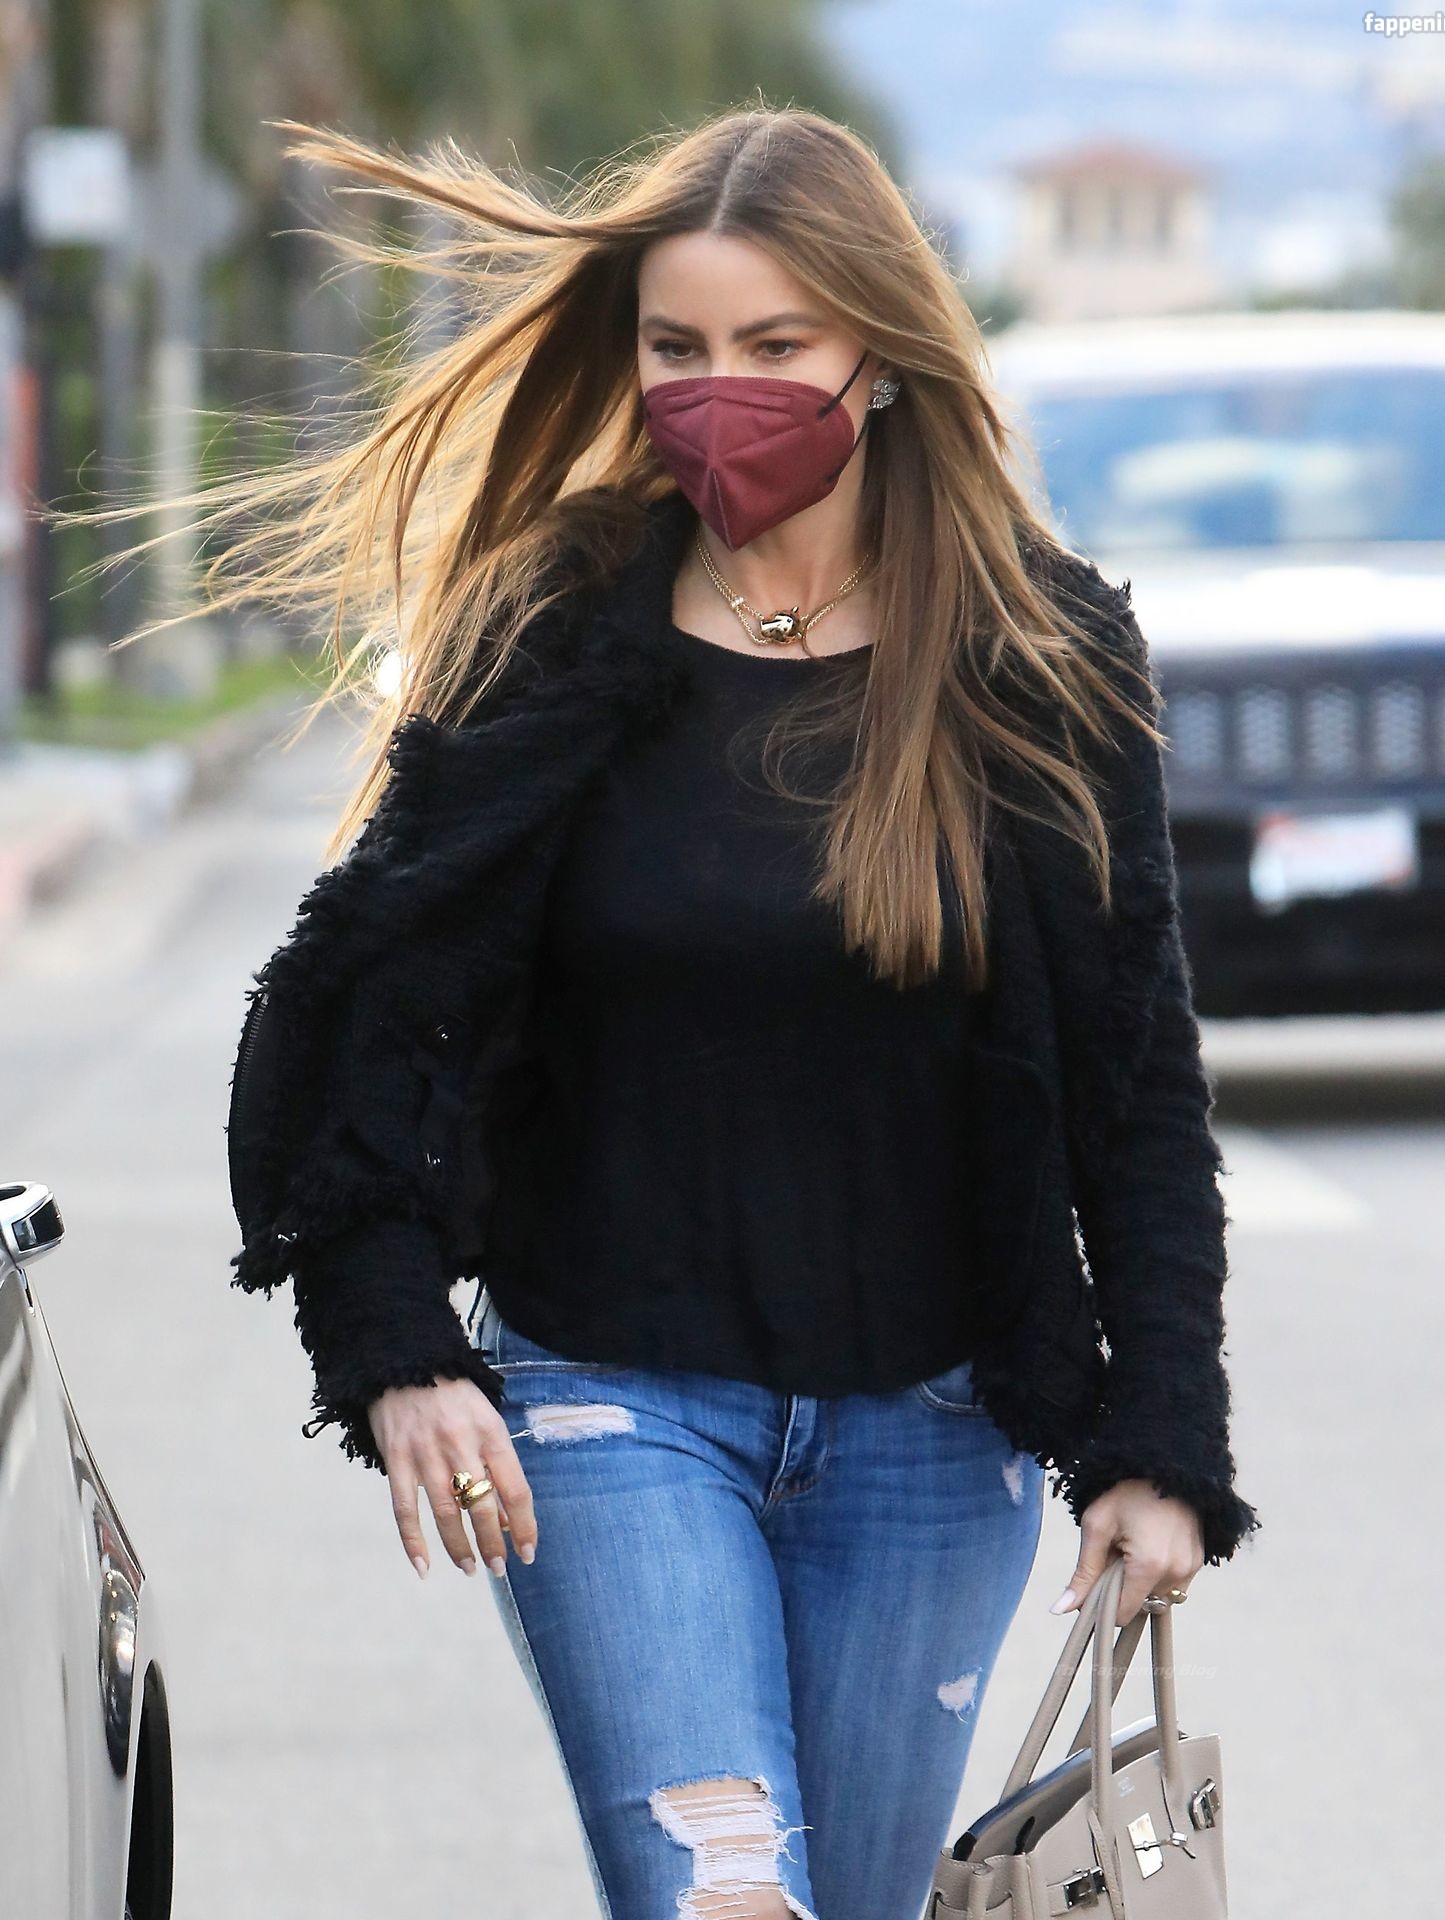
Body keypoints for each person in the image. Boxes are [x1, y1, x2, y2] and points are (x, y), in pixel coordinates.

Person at [114, 104, 1258, 1920]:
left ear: (881, 349)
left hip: (934, 1435)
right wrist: (397, 1348)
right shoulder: (551, 628)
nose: (720, 393)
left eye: (775, 345)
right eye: (676, 349)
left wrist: (1166, 1439)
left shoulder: (1038, 656)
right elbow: (371, 1005)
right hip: (609, 1409)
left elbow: (1136, 1083)